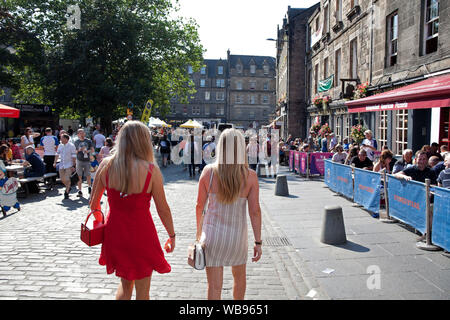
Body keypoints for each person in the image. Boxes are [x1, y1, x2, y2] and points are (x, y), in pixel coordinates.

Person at [89, 120, 175, 300]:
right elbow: (163, 209)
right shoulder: (151, 170)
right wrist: (171, 235)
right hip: (142, 234)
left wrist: (102, 224)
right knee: (143, 291)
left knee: (125, 284)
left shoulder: (106, 165)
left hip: (115, 233)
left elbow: (94, 205)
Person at [195, 128, 262, 300]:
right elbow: (254, 211)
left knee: (214, 287)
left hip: (213, 236)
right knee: (239, 280)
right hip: (237, 238)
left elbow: (199, 206)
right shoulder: (250, 176)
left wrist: (198, 235)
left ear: (221, 147)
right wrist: (258, 241)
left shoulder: (208, 172)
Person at [54, 133, 77, 199]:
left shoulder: (71, 146)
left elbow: (74, 156)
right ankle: (68, 187)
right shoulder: (60, 145)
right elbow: (57, 154)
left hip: (69, 164)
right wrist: (55, 162)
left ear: (66, 139)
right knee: (62, 179)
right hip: (62, 164)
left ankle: (66, 192)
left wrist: (73, 165)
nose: (60, 139)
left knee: (67, 178)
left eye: (62, 138)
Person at [74, 128, 94, 197]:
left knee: (88, 175)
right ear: (78, 134)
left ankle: (89, 187)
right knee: (79, 176)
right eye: (80, 133)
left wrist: (87, 151)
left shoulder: (88, 141)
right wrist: (79, 150)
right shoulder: (76, 142)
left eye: (82, 133)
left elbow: (92, 150)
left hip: (87, 160)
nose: (81, 134)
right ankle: (80, 191)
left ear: (84, 134)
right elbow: (75, 152)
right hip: (79, 160)